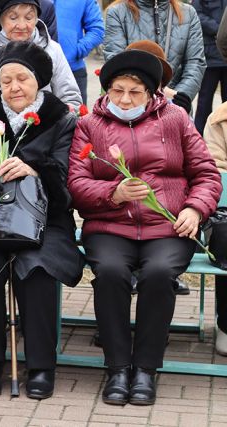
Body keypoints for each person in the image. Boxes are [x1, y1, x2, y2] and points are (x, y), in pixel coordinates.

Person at [68, 49, 222, 406]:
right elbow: (76, 183)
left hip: (167, 226)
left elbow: (206, 174)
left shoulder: (176, 119)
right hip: (110, 226)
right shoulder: (90, 125)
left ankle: (146, 369)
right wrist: (114, 192)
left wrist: (195, 210)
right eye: (117, 90)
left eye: (134, 92)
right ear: (106, 89)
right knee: (109, 272)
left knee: (159, 273)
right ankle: (118, 367)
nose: (124, 99)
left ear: (152, 93)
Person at [0, 41, 84, 399]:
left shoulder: (61, 118)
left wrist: (33, 169)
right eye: (6, 80)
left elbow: (66, 178)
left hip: (45, 220)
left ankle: (41, 366)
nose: (13, 88)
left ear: (40, 81)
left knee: (36, 267)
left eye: (22, 79)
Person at [0, 0, 82, 115]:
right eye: (13, 18)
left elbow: (70, 100)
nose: (22, 26)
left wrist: (56, 131)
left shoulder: (53, 50)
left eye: (29, 18)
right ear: (0, 18)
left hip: (43, 138)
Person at [103, 0, 206, 114]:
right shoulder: (118, 12)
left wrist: (179, 96)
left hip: (175, 105)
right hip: (131, 107)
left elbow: (196, 63)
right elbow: (116, 62)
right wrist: (148, 94)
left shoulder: (188, 13)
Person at [203, 102, 227, 356]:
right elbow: (214, 169)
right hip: (225, 211)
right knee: (226, 238)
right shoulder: (221, 118)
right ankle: (226, 326)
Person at [54, 0, 104, 105]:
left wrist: (77, 50)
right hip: (35, 71)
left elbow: (96, 29)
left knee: (77, 120)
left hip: (73, 71)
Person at [193, 0, 227, 134]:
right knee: (204, 102)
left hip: (225, 58)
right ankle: (198, 137)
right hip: (209, 57)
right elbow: (197, 13)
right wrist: (219, 28)